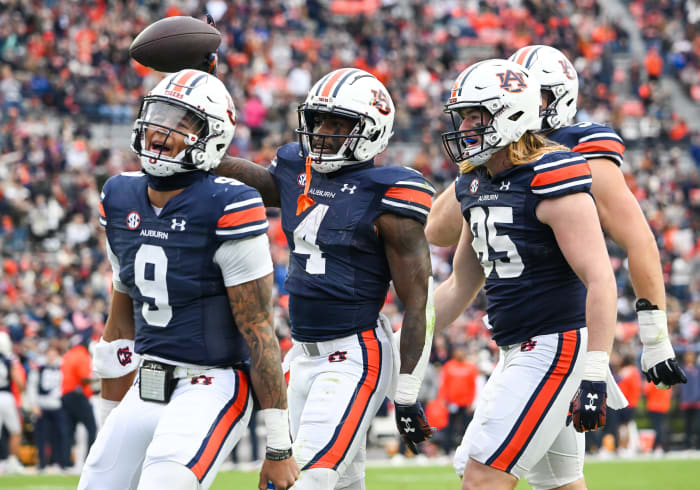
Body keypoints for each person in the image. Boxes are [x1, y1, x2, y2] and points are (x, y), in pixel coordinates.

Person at [203, 68, 436, 489]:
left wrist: (406, 390)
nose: (324, 132)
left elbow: (418, 301)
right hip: (301, 352)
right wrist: (203, 138)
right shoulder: (297, 168)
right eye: (320, 121)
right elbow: (256, 181)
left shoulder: (389, 194)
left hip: (354, 354)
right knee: (341, 483)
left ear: (371, 129)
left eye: (339, 124)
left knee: (295, 481)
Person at [78, 69, 298, 490]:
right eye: (158, 115)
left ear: (211, 136)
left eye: (181, 122)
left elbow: (257, 328)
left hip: (212, 382)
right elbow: (121, 322)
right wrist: (109, 418)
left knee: (165, 481)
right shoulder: (119, 194)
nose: (161, 130)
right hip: (147, 382)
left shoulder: (229, 202)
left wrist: (278, 445)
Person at [425, 45, 687, 393]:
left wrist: (655, 339)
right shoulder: (494, 162)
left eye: (539, 94)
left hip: (560, 333)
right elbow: (439, 233)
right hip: (515, 331)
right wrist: (476, 167)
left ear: (560, 99)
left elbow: (638, 240)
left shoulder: (577, 152)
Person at [434, 59, 622, 490]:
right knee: (560, 484)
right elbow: (461, 283)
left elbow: (600, 277)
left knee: (481, 476)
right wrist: (407, 331)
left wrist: (595, 370)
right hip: (518, 348)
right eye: (462, 117)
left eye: (475, 116)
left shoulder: (550, 174)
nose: (464, 128)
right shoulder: (474, 181)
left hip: (555, 344)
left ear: (511, 114)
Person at [26, 344, 70, 472]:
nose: (51, 357)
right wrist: (33, 405)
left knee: (60, 435)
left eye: (53, 353)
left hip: (58, 406)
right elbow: (32, 386)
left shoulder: (63, 366)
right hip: (42, 406)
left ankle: (60, 463)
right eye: (49, 354)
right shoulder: (39, 368)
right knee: (41, 437)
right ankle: (42, 464)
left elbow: (66, 385)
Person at [61, 331, 97, 470]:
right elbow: (84, 378)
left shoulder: (68, 355)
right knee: (92, 428)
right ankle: (89, 461)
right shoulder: (83, 355)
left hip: (66, 395)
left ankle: (65, 463)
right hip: (78, 395)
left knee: (69, 430)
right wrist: (99, 379)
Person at [0, 331, 25, 474]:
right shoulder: (10, 360)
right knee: (15, 431)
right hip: (7, 397)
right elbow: (20, 383)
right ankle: (12, 462)